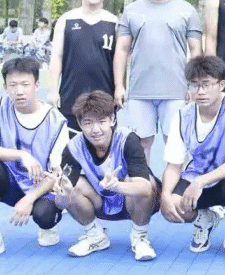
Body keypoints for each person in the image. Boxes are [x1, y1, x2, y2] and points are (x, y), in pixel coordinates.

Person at [160, 56, 225, 265]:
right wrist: (165, 195)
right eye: (195, 85)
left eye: (206, 84)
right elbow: (174, 164)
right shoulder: (183, 115)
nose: (200, 91)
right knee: (171, 207)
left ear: (221, 85)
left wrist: (201, 181)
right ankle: (204, 219)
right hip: (196, 177)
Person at [0, 57, 70, 262]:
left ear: (37, 85)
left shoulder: (56, 121)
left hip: (42, 187)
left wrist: (30, 198)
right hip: (11, 182)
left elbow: (56, 173)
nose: (19, 91)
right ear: (5, 87)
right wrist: (22, 155)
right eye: (13, 85)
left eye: (25, 84)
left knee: (44, 216)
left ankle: (47, 226)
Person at [114, 0, 202, 161]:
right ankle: (143, 181)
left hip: (176, 90)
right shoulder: (132, 10)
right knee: (141, 144)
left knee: (175, 143)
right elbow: (122, 50)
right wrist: (119, 85)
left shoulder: (187, 10)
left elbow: (196, 51)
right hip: (139, 91)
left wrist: (194, 85)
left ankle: (174, 183)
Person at [57, 90, 160, 261]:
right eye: (88, 123)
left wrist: (117, 186)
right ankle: (95, 236)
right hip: (100, 202)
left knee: (146, 182)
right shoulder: (73, 148)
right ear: (80, 124)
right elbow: (60, 204)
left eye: (101, 122)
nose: (95, 129)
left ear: (112, 119)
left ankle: (140, 237)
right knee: (71, 186)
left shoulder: (128, 139)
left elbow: (145, 188)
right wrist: (64, 196)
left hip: (130, 202)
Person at [49, 0, 118, 132]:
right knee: (69, 144)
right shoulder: (66, 20)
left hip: (105, 97)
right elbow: (57, 57)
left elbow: (119, 62)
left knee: (103, 144)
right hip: (70, 96)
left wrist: (120, 88)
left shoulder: (114, 23)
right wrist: (52, 90)